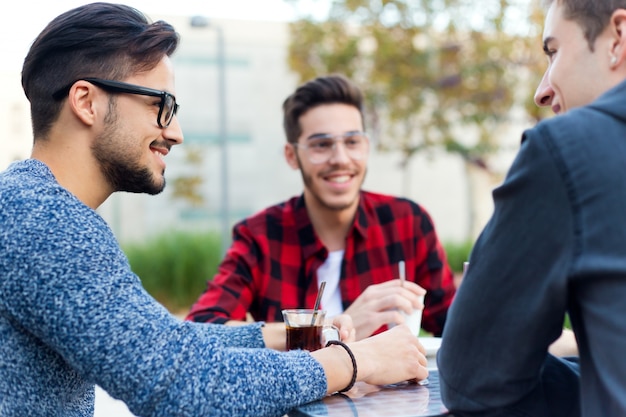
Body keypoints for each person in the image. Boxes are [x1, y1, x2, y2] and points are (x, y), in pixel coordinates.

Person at [0, 4, 429, 417]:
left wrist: (289, 336)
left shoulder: (30, 208)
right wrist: (355, 361)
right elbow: (181, 386)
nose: (176, 133)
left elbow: (163, 345)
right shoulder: (44, 220)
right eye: (159, 106)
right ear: (87, 102)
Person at [438, 0, 626, 416]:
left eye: (554, 51)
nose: (542, 91)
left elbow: (473, 378)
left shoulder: (567, 150)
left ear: (618, 37)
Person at [185, 74, 457, 347]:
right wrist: (326, 330)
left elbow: (458, 326)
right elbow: (201, 331)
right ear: (292, 156)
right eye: (321, 145)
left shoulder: (407, 222)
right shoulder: (260, 236)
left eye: (352, 142)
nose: (340, 159)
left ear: (366, 146)